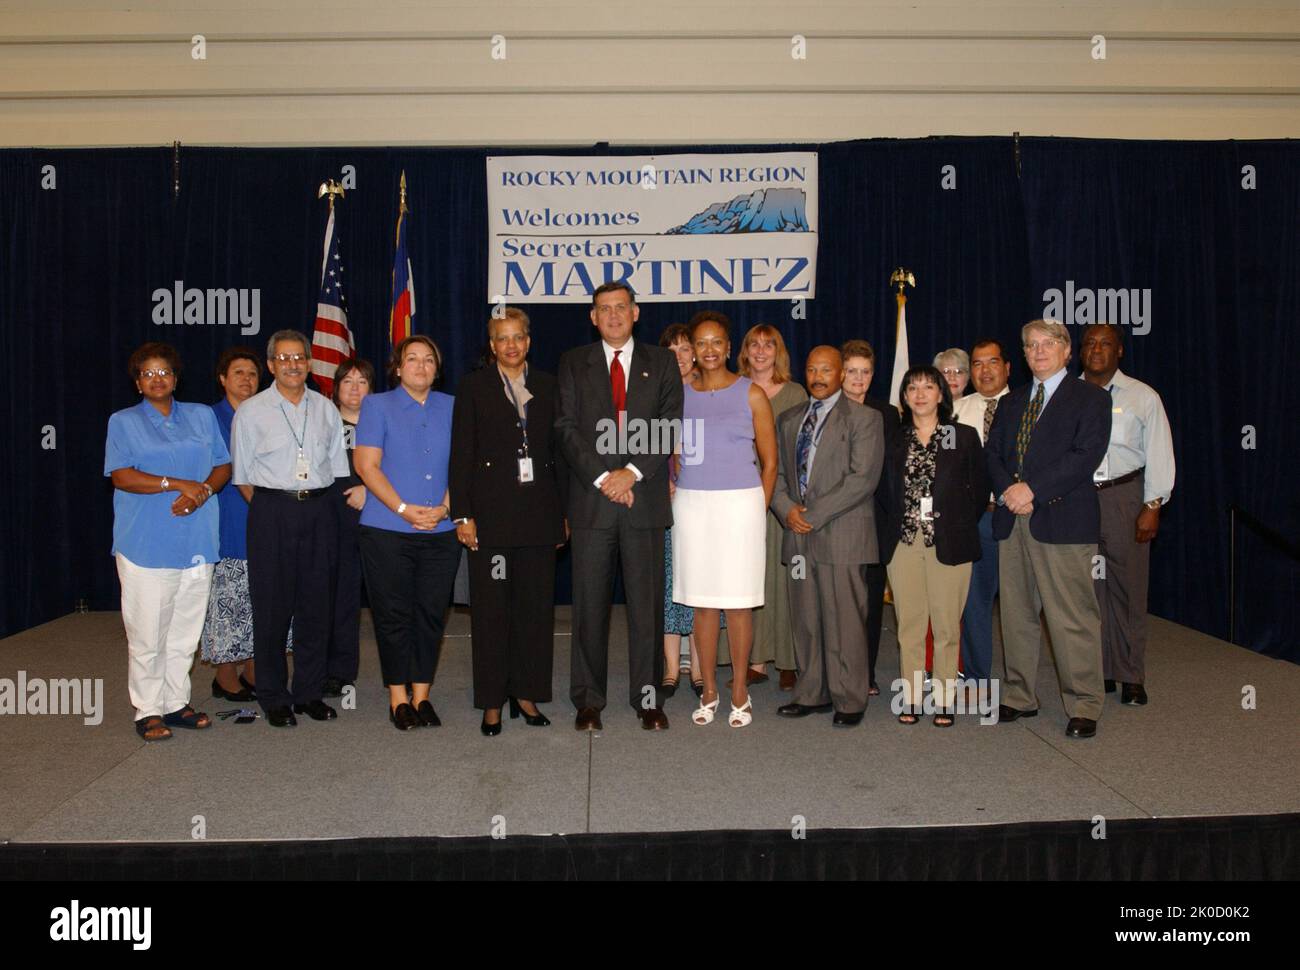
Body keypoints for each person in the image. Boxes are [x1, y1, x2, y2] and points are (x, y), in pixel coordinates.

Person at [556, 281, 684, 732]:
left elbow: (669, 426)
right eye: (603, 309)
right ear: (593, 317)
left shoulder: (662, 361)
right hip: (592, 503)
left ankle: (648, 700)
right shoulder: (574, 362)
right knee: (589, 605)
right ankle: (588, 701)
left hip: (643, 501)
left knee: (646, 607)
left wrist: (630, 473)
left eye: (620, 307)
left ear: (636, 312)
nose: (612, 315)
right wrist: (604, 478)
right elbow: (566, 427)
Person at [987, 319, 1111, 739]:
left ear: (1066, 351)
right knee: (1017, 614)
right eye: (1030, 345)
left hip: (1062, 520)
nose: (1038, 351)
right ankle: (1020, 695)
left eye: (1048, 343)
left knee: (1071, 617)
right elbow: (992, 457)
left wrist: (1032, 490)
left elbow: (1085, 456)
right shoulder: (1011, 402)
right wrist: (1009, 490)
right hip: (1012, 520)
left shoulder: (1091, 399)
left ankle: (1084, 704)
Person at [450, 308, 567, 736]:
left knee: (536, 612)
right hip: (491, 520)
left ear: (529, 341)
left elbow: (561, 458)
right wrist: (463, 514)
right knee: (491, 613)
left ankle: (527, 694)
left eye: (518, 337)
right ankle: (492, 701)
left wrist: (564, 516)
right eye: (503, 338)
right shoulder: (474, 387)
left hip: (539, 518)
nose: (511, 345)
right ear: (492, 345)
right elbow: (461, 455)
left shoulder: (550, 386)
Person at [105, 342, 230, 741]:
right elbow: (121, 475)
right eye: (148, 373)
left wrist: (203, 493)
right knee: (147, 632)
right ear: (138, 382)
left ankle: (176, 702)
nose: (157, 379)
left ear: (176, 379)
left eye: (164, 372)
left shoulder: (200, 415)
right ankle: (147, 709)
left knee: (185, 630)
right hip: (145, 543)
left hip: (197, 538)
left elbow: (222, 466)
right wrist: (176, 484)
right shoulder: (123, 421)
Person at [231, 330, 349, 728]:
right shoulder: (251, 411)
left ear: (310, 363)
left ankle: (309, 693)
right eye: (284, 359)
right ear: (271, 366)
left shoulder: (325, 409)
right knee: (272, 608)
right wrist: (276, 509)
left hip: (319, 511)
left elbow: (335, 470)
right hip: (271, 512)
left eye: (299, 358)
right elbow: (243, 475)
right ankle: (273, 696)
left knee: (316, 607)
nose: (293, 365)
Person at [672, 312, 777, 728]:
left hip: (740, 505)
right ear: (693, 349)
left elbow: (770, 464)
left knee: (737, 604)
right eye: (701, 343)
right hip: (693, 505)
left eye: (717, 342)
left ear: (729, 348)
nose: (710, 350)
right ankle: (709, 689)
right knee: (702, 602)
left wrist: (757, 510)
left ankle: (739, 691)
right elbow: (673, 450)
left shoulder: (751, 394)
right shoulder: (678, 393)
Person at [772, 347, 884, 727]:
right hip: (799, 536)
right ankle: (811, 691)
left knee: (845, 618)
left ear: (840, 374)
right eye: (811, 368)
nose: (818, 376)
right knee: (805, 616)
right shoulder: (789, 419)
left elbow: (862, 479)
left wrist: (812, 516)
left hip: (843, 534)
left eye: (826, 369)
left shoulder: (865, 419)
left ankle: (850, 698)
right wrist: (786, 509)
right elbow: (777, 474)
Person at [354, 335, 459, 731]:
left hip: (441, 529)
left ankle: (423, 694)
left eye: (428, 360)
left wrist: (446, 508)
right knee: (394, 615)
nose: (420, 366)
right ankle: (398, 697)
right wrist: (402, 509)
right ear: (397, 367)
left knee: (431, 614)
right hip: (387, 529)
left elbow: (463, 466)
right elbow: (367, 466)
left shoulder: (453, 407)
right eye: (411, 359)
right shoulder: (376, 406)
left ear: (437, 368)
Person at [881, 366, 989, 725]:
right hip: (905, 543)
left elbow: (978, 492)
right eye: (913, 388)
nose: (921, 394)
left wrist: (953, 525)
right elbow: (884, 493)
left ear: (942, 394)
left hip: (950, 542)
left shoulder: (961, 436)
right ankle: (911, 697)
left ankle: (944, 698)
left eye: (929, 387)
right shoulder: (894, 439)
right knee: (910, 625)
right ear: (905, 396)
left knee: (946, 626)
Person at [1080, 322, 1175, 706]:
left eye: (1106, 343)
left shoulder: (1142, 396)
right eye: (1089, 343)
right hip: (1079, 500)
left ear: (1119, 351)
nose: (1097, 350)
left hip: (1125, 496)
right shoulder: (1066, 395)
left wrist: (1152, 506)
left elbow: (1159, 451)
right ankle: (1099, 671)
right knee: (1087, 590)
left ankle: (1131, 674)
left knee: (1129, 587)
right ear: (1079, 351)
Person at [201, 347, 291, 703]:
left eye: (252, 374)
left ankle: (254, 667)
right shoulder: (209, 418)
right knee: (227, 602)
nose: (246, 380)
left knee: (262, 600)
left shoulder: (271, 415)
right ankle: (224, 676)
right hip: (228, 521)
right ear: (223, 379)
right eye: (238, 373)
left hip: (271, 520)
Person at [738, 324, 807, 691]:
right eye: (754, 345)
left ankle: (789, 659)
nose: (761, 351)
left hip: (781, 496)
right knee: (752, 577)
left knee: (785, 579)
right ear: (745, 350)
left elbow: (801, 451)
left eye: (769, 345)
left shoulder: (795, 393)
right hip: (740, 494)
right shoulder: (735, 388)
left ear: (778, 352)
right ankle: (756, 658)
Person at [840, 339, 901, 695]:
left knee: (871, 602)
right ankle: (838, 671)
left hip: (875, 521)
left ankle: (867, 673)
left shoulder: (886, 414)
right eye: (851, 371)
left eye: (865, 372)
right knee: (838, 600)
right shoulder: (827, 410)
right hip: (836, 521)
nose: (858, 379)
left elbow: (891, 469)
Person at [951, 338, 1012, 684]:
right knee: (975, 601)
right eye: (976, 363)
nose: (985, 370)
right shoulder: (956, 411)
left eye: (992, 362)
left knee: (1020, 604)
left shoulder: (1027, 406)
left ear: (1007, 368)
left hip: (1019, 516)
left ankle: (1021, 682)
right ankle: (976, 677)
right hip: (975, 518)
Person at [326, 357, 374, 698]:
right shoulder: (322, 423)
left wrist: (368, 489)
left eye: (362, 382)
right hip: (332, 523)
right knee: (338, 600)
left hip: (378, 521)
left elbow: (404, 464)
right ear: (336, 387)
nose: (354, 388)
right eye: (347, 381)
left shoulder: (383, 422)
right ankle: (337, 672)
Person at [657, 323, 698, 698]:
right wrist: (661, 480)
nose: (680, 356)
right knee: (671, 583)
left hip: (705, 503)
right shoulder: (656, 394)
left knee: (702, 584)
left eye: (686, 348)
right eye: (671, 350)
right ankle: (670, 669)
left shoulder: (711, 392)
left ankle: (700, 669)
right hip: (668, 503)